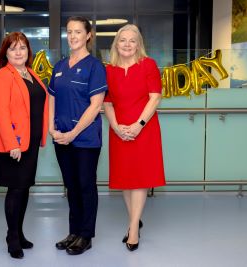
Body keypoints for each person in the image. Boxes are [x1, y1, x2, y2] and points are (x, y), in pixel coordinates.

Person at [104, 24, 166, 251]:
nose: (127, 44)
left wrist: (138, 125)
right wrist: (116, 126)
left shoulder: (148, 65)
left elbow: (155, 97)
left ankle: (132, 230)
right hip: (119, 129)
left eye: (132, 40)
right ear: (116, 44)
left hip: (144, 129)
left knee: (139, 179)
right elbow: (107, 101)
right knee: (124, 179)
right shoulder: (109, 69)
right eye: (123, 40)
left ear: (139, 44)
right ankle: (135, 221)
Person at [48, 16, 107, 256]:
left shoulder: (95, 66)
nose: (72, 36)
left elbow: (95, 105)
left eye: (77, 32)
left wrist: (73, 133)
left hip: (84, 139)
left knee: (85, 185)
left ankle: (86, 235)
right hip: (61, 137)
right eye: (69, 32)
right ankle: (74, 231)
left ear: (88, 35)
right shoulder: (60, 66)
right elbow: (52, 97)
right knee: (71, 186)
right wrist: (52, 128)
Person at [0, 32, 49, 259]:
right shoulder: (2, 76)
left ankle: (19, 233)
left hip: (30, 142)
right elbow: (1, 113)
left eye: (22, 48)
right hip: (13, 143)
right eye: (13, 48)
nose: (18, 52)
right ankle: (12, 237)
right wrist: (12, 143)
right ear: (5, 52)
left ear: (28, 52)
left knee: (24, 189)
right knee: (15, 189)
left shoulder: (31, 74)